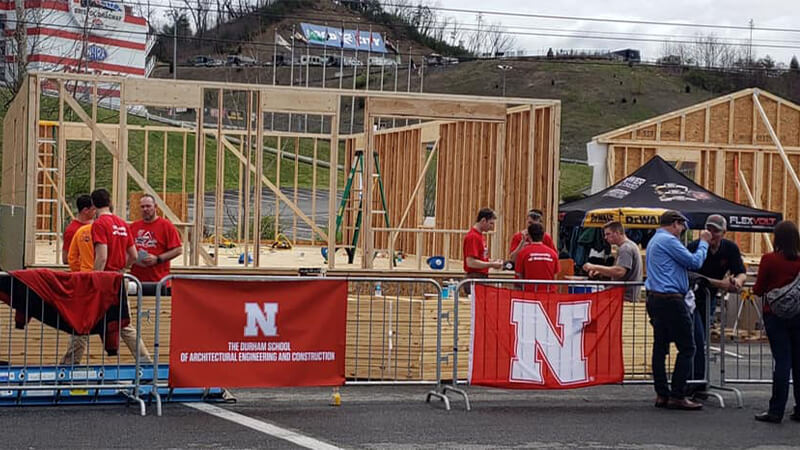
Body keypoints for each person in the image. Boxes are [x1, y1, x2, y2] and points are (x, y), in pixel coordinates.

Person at [62, 189, 152, 365]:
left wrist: (95, 278)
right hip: (119, 278)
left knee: (82, 322)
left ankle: (70, 364)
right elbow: (133, 255)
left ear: (94, 205)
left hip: (104, 280)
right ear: (110, 202)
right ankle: (146, 362)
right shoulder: (122, 224)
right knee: (124, 324)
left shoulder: (99, 224)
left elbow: (101, 255)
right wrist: (120, 267)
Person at [644, 210, 711, 411]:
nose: (682, 230)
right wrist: (704, 243)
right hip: (671, 299)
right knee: (688, 347)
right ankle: (678, 394)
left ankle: (662, 393)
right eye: (682, 226)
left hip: (655, 297)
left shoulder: (655, 240)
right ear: (675, 223)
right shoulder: (669, 241)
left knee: (660, 347)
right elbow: (694, 262)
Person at [685, 214, 747, 398]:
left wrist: (738, 281)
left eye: (716, 231)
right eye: (709, 230)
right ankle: (693, 381)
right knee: (694, 339)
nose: (712, 234)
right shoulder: (695, 247)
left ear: (724, 233)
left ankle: (698, 382)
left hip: (709, 298)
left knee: (701, 339)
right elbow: (693, 276)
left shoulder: (730, 249)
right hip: (691, 297)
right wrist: (721, 283)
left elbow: (741, 271)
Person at [752, 220, 800, 423]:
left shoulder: (769, 259)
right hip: (798, 314)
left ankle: (776, 410)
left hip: (775, 315)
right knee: (799, 362)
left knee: (782, 361)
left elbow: (759, 289)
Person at [129, 194, 183, 294]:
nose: (145, 209)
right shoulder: (133, 227)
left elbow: (178, 249)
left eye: (148, 206)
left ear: (155, 207)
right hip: (136, 281)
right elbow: (126, 250)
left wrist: (158, 259)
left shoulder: (166, 226)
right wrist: (134, 259)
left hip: (159, 281)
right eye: (142, 206)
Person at [582, 221, 643, 302]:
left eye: (608, 234)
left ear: (617, 233)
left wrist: (594, 266)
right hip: (624, 296)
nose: (605, 237)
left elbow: (620, 271)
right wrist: (601, 272)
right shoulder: (629, 246)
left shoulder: (626, 248)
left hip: (625, 298)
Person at [463, 208, 504, 292]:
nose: (492, 227)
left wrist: (492, 261)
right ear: (483, 220)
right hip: (475, 277)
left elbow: (480, 258)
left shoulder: (480, 236)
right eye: (491, 223)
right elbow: (471, 262)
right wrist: (491, 264)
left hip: (481, 277)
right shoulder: (473, 237)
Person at [515, 223, 559, 292]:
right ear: (543, 235)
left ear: (529, 236)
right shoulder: (553, 254)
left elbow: (519, 275)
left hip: (529, 294)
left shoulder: (522, 253)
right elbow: (555, 276)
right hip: (549, 295)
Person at [62, 195, 94, 265]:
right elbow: (66, 258)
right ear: (85, 210)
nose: (95, 212)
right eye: (93, 209)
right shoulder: (72, 231)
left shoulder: (96, 226)